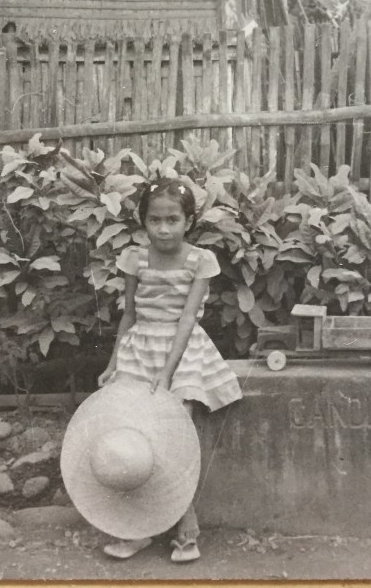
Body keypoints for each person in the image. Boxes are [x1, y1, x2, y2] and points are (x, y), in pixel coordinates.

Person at [96, 178, 243, 563]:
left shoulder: (200, 261)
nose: (163, 229)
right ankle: (140, 527)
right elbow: (129, 314)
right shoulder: (135, 258)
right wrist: (113, 363)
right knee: (134, 431)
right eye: (155, 220)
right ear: (143, 221)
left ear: (188, 221)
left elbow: (187, 319)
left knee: (178, 425)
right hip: (140, 346)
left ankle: (184, 518)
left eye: (173, 220)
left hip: (183, 347)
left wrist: (167, 373)